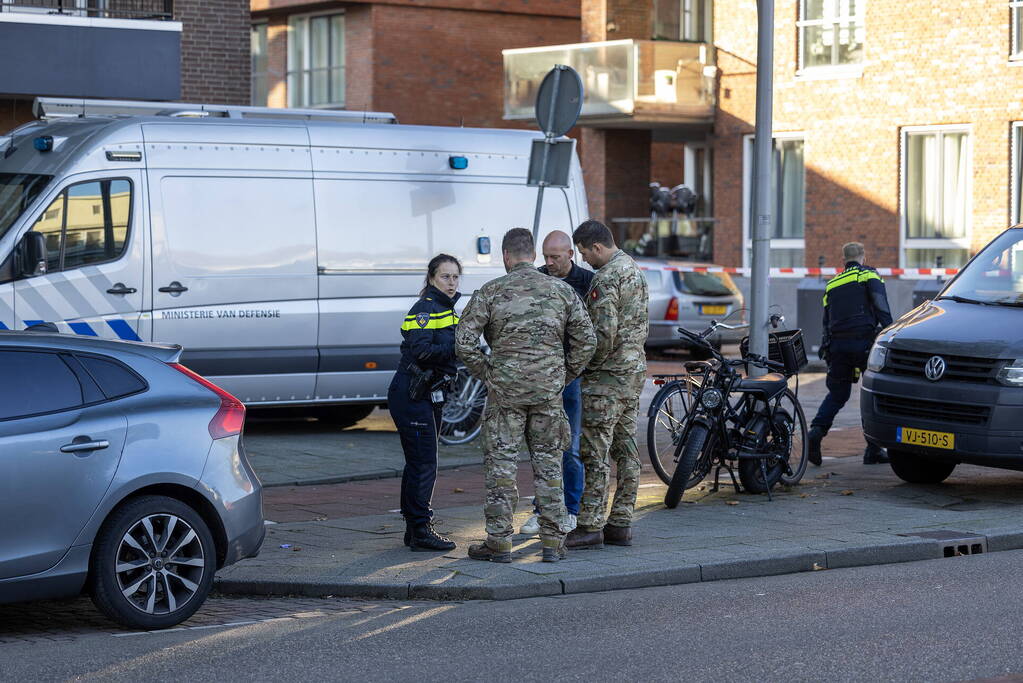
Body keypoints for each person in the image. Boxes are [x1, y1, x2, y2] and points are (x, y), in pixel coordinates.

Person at [455, 228, 596, 563]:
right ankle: (552, 543)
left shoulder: (491, 292)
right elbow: (587, 341)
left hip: (505, 393)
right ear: (533, 255)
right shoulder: (561, 291)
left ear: (506, 256)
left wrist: (488, 372)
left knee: (501, 468)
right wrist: (564, 374)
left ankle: (500, 542)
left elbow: (463, 342)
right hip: (548, 393)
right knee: (550, 467)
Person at [566, 220, 649, 550]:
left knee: (594, 451)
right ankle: (622, 522)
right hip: (632, 372)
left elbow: (603, 335)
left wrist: (583, 368)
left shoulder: (606, 277)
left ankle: (590, 524)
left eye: (584, 253)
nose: (585, 260)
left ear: (597, 246)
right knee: (626, 448)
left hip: (606, 378)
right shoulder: (633, 268)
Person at [518, 230, 593, 537]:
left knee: (570, 446)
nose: (549, 263)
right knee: (542, 447)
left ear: (570, 254)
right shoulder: (537, 278)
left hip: (569, 379)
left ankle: (571, 509)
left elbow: (590, 336)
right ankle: (542, 509)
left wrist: (572, 372)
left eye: (556, 257)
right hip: (540, 378)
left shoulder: (586, 283)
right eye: (545, 257)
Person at [388, 254, 462, 552]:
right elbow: (421, 350)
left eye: (456, 276)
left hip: (427, 394)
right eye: (445, 276)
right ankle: (421, 529)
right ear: (432, 278)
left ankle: (414, 528)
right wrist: (457, 345)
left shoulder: (447, 309)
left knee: (419, 462)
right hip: (412, 394)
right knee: (424, 463)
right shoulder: (425, 309)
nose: (452, 282)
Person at [808, 242, 894, 466]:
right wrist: (890, 333)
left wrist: (827, 347)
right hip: (864, 343)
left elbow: (826, 320)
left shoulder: (832, 283)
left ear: (843, 259)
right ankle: (873, 449)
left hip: (837, 347)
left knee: (837, 395)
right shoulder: (869, 276)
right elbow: (881, 305)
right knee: (871, 394)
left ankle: (816, 431)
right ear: (863, 257)